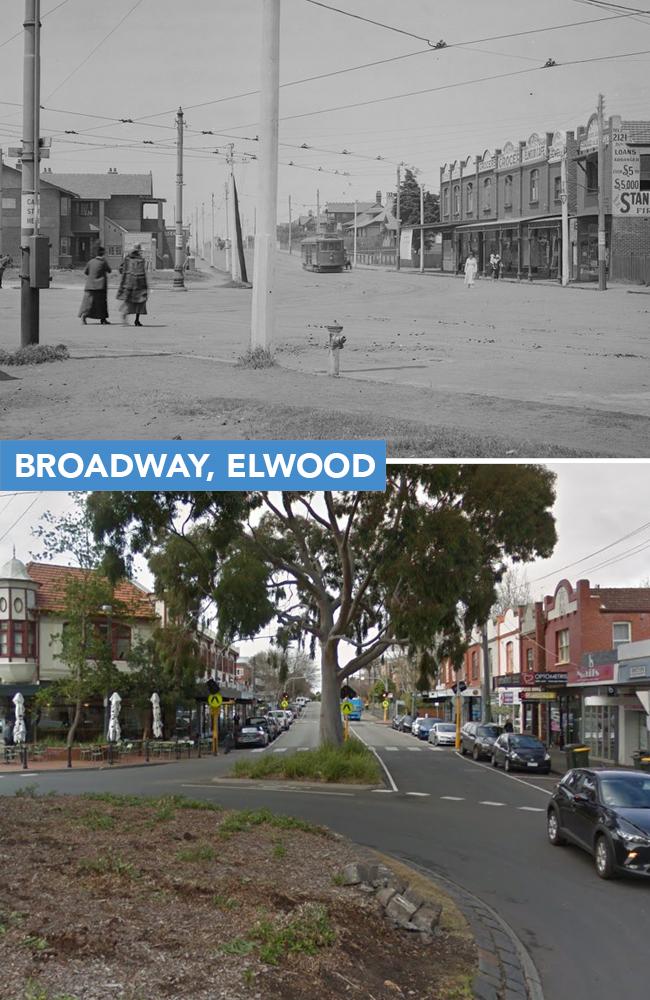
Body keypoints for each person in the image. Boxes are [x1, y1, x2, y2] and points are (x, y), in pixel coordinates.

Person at [116, 244, 148, 327]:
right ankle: (137, 320)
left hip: (129, 283)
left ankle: (125, 316)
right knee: (140, 302)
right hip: (139, 284)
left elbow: (121, 269)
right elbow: (142, 273)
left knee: (128, 302)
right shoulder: (141, 260)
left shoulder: (127, 259)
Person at [78, 246, 111, 325]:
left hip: (90, 286)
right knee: (102, 304)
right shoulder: (103, 262)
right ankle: (103, 319)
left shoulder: (90, 261)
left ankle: (84, 316)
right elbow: (109, 270)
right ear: (102, 253)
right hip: (100, 286)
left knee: (89, 304)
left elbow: (86, 272)